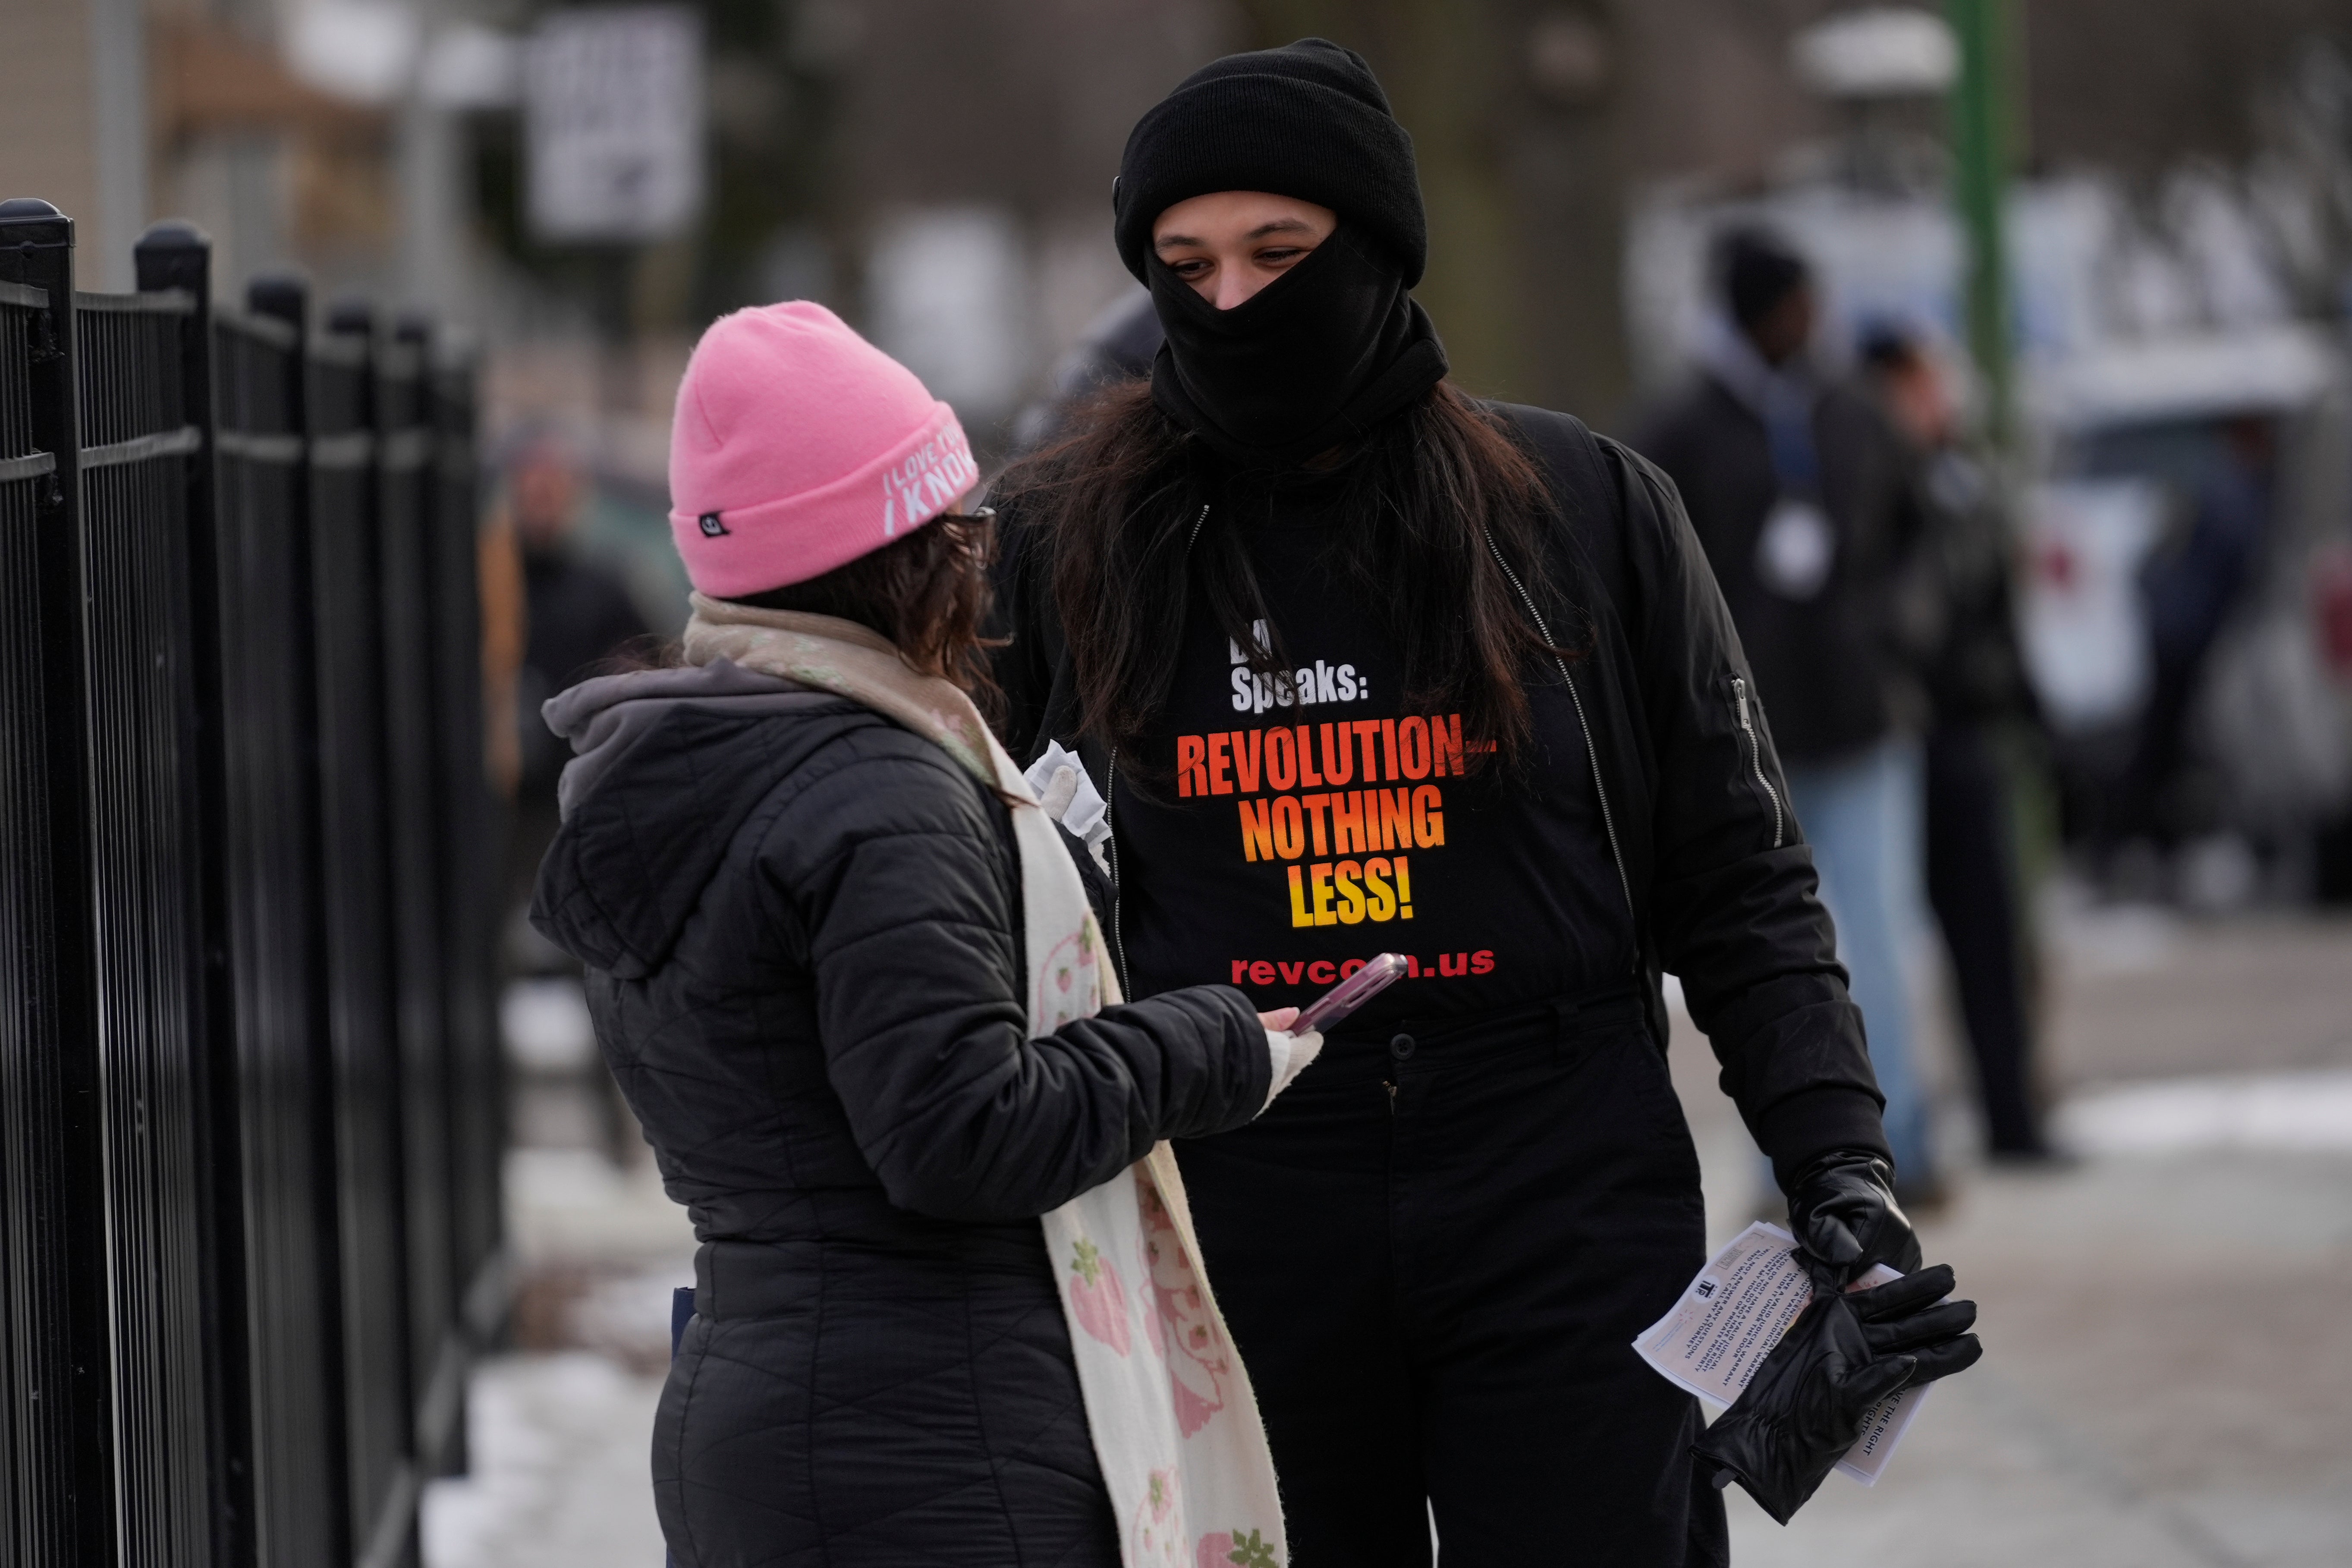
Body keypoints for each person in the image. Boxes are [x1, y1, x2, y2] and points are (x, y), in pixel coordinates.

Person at [990, 40, 1975, 1565]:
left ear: (1375, 250)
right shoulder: (1065, 543)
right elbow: (964, 888)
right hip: (1234, 1187)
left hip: (1558, 1177)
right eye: (1185, 263)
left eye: (1279, 253)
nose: (1232, 300)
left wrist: (1836, 1154)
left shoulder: (1580, 508)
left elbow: (1735, 873)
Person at [529, 302, 1315, 1565]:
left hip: (764, 1412)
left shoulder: (687, 766)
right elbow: (960, 1132)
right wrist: (1200, 1043)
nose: (979, 563)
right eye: (962, 530)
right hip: (930, 1447)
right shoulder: (876, 792)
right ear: (902, 552)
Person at [1632, 227, 1941, 1200]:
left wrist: (1892, 630)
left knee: (1882, 942)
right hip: (1744, 739)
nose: (1806, 322)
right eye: (1788, 305)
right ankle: (1791, 1160)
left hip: (1860, 721)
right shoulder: (1678, 428)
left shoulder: (1855, 412)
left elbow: (1919, 538)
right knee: (1779, 952)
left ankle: (1903, 1146)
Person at [1861, 325, 2055, 1160]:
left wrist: (2030, 711)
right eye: (1919, 385)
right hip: (1902, 734)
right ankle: (1898, 1133)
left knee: (1993, 936)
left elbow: (1995, 618)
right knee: (1877, 943)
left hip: (1968, 733)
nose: (1937, 400)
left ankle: (2011, 1115)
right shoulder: (1873, 480)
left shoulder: (1960, 480)